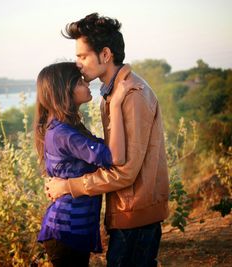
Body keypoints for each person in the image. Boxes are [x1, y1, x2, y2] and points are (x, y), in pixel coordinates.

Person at [45, 13, 170, 266]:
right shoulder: (112, 94)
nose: (77, 64)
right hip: (126, 209)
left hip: (136, 213)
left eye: (82, 56)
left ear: (105, 55)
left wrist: (68, 187)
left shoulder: (132, 95)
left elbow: (125, 171)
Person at [34, 62, 141, 267]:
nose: (87, 84)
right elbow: (114, 157)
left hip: (72, 231)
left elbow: (103, 149)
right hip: (66, 231)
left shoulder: (64, 127)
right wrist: (116, 104)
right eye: (80, 81)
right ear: (64, 91)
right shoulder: (64, 134)